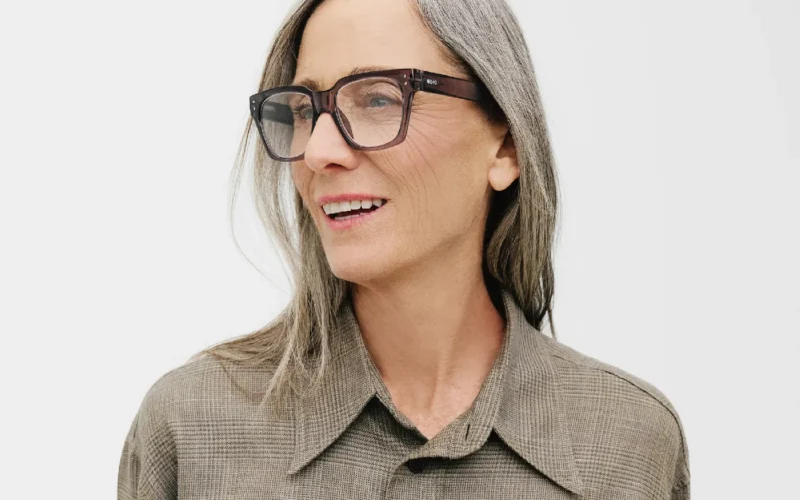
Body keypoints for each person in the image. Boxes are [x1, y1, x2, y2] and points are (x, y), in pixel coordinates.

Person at [118, 0, 690, 498]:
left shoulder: (628, 440)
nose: (318, 152)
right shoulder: (192, 426)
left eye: (377, 100)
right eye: (304, 111)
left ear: (505, 148)